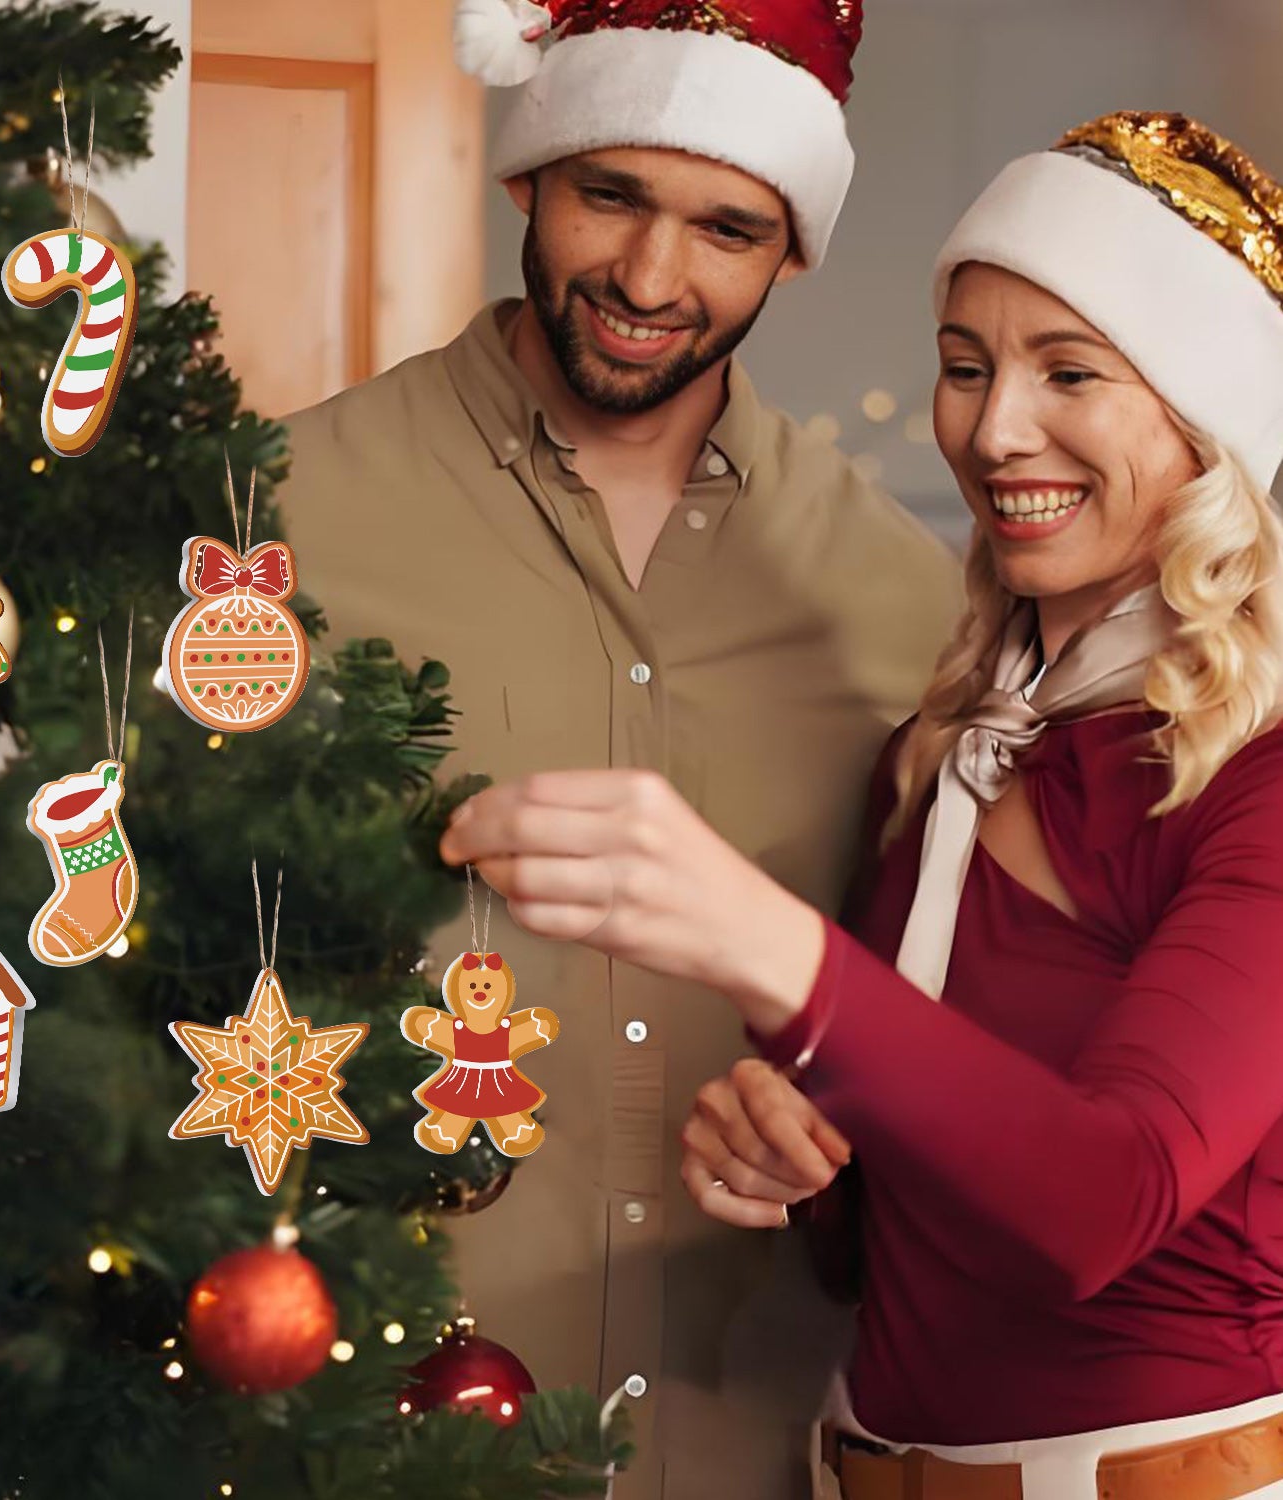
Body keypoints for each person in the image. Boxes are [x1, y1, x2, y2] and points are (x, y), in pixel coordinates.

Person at [439, 109, 1283, 1500]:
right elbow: (910, 1229)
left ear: (1207, 423)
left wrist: (763, 943)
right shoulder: (950, 751)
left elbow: (1100, 1201)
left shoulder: (1255, 775)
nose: (993, 427)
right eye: (965, 367)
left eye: (1069, 371)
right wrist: (801, 1162)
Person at [279, 1, 961, 1494]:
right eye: (612, 196)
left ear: (790, 248)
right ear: (528, 175)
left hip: (763, 1432)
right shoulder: (278, 524)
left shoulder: (907, 605)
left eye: (726, 227)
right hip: (359, 1422)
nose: (653, 279)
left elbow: (955, 1031)